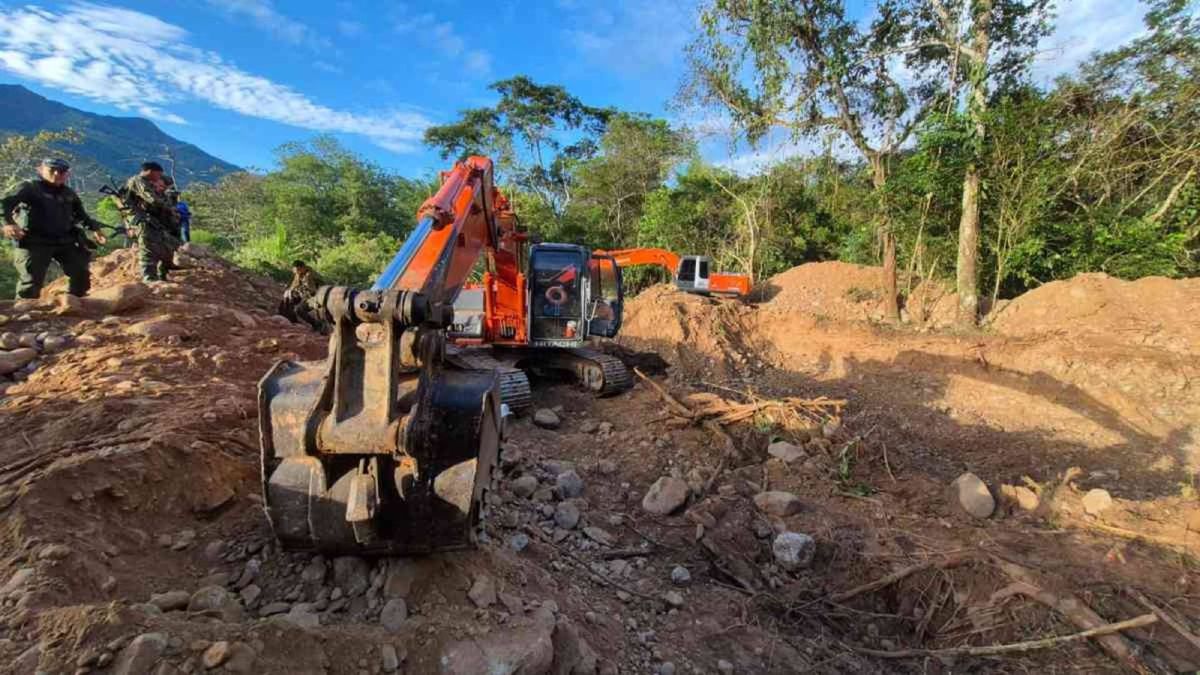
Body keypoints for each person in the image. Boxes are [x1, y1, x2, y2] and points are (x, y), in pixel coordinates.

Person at [1, 158, 107, 298]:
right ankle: (25, 314)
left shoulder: (68, 193)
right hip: (34, 241)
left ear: (67, 174)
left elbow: (81, 215)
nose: (57, 173)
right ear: (40, 170)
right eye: (52, 170)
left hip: (64, 240)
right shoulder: (29, 188)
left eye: (62, 171)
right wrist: (8, 223)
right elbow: (4, 203)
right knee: (31, 282)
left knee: (80, 272)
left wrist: (95, 229)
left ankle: (74, 305)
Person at [123, 161, 181, 282]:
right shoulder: (138, 180)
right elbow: (151, 199)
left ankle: (160, 274)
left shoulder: (146, 182)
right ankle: (149, 278)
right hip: (141, 218)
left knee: (162, 245)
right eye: (158, 174)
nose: (158, 178)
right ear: (150, 171)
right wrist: (169, 207)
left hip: (149, 219)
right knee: (147, 248)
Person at [279, 260, 328, 333]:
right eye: (295, 270)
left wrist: (298, 291)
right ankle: (290, 319)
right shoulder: (299, 274)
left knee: (299, 310)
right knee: (287, 299)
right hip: (306, 294)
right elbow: (294, 285)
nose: (296, 272)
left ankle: (317, 324)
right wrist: (290, 292)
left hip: (316, 296)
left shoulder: (309, 275)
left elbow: (311, 291)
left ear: (303, 268)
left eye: (298, 270)